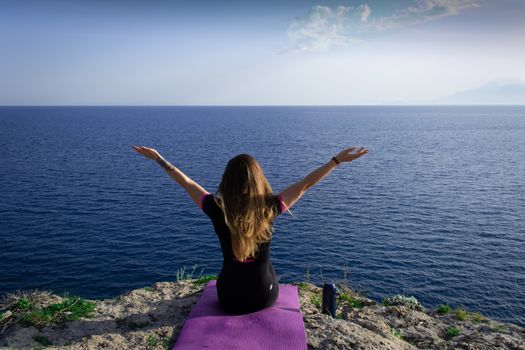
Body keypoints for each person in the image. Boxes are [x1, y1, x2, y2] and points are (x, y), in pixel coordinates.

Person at [132, 145, 368, 314]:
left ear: (226, 181)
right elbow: (306, 185)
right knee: (268, 269)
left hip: (229, 299)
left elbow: (187, 183)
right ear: (258, 179)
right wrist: (336, 161)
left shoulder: (217, 208)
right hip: (264, 296)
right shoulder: (270, 208)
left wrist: (158, 158)